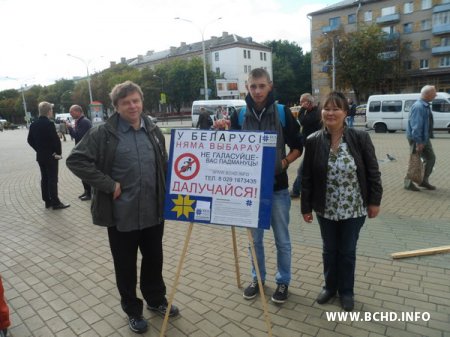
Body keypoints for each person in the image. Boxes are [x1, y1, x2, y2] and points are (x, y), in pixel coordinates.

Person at [66, 81, 179, 334]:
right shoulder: (103, 133)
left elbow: (165, 164)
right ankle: (132, 310)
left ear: (142, 101)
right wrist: (108, 184)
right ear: (116, 106)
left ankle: (156, 299)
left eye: (136, 100)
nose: (132, 106)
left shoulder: (153, 130)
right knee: (125, 265)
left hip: (153, 211)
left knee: (154, 259)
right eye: (126, 102)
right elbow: (75, 160)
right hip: (121, 215)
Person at [301, 91, 382, 311]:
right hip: (325, 209)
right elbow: (306, 177)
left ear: (345, 112)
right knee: (329, 250)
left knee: (346, 251)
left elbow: (373, 172)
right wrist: (305, 207)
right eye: (327, 108)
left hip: (354, 208)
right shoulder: (313, 141)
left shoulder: (360, 138)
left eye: (336, 108)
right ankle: (330, 287)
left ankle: (346, 291)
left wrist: (375, 201)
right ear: (321, 111)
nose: (331, 112)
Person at [230, 68, 302, 304]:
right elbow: (229, 151)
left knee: (282, 239)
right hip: (249, 191)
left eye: (262, 86)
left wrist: (283, 162)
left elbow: (298, 147)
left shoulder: (283, 113)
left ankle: (283, 282)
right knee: (254, 241)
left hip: (278, 188)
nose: (258, 91)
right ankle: (258, 279)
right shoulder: (239, 116)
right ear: (247, 87)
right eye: (253, 86)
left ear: (270, 85)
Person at [27, 102, 70, 210]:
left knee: (44, 178)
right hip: (51, 156)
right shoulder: (49, 124)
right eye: (51, 110)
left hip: (40, 156)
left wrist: (39, 149)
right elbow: (55, 141)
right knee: (52, 179)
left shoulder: (33, 124)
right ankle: (55, 202)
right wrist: (58, 154)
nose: (52, 112)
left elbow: (29, 140)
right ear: (49, 111)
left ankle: (47, 201)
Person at [404, 85, 437, 191]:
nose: (435, 95)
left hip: (424, 138)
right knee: (414, 160)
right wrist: (419, 142)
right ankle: (408, 183)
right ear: (427, 94)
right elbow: (416, 127)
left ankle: (423, 180)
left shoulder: (425, 105)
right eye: (434, 93)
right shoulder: (419, 107)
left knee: (430, 158)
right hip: (417, 138)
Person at [290, 93, 321, 198]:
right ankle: (300, 190)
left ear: (308, 102)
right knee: (308, 170)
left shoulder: (316, 112)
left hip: (315, 147)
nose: (300, 103)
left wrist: (302, 110)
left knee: (302, 170)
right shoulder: (311, 111)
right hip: (311, 146)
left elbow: (303, 121)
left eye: (302, 101)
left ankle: (296, 191)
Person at [67, 105, 93, 200]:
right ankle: (86, 191)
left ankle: (89, 193)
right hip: (82, 151)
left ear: (78, 111)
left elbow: (78, 137)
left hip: (85, 152)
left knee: (85, 172)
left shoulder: (84, 122)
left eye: (71, 112)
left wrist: (69, 128)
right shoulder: (81, 121)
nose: (70, 114)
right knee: (83, 173)